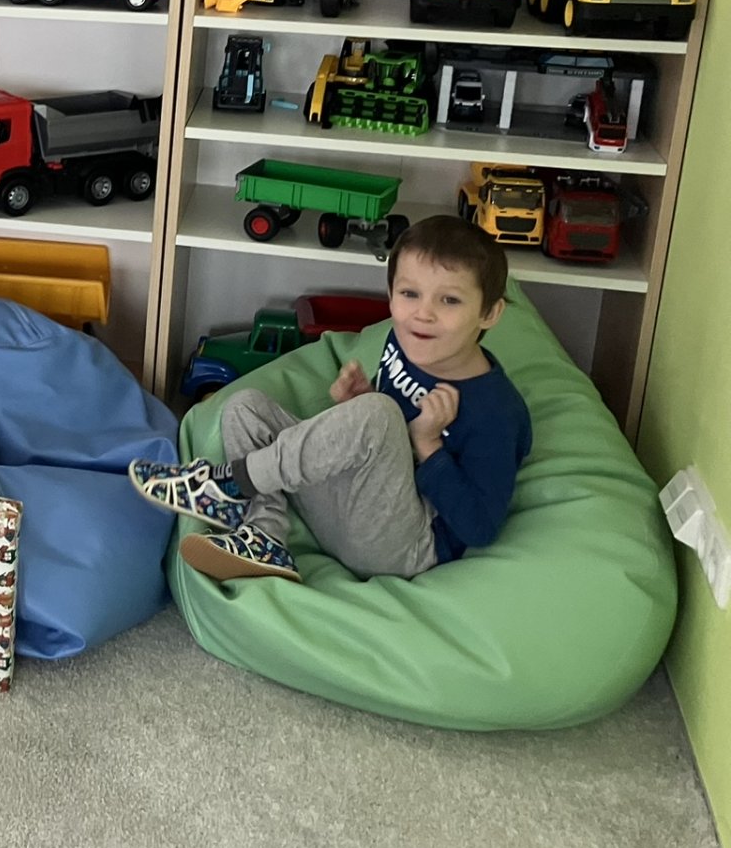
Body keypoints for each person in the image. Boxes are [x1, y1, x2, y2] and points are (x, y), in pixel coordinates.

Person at [129, 216, 532, 582]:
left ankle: (233, 483)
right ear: (391, 294)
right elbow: (386, 439)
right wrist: (360, 403)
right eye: (410, 293)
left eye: (450, 300)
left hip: (402, 547)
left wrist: (429, 447)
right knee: (244, 405)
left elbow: (480, 527)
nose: (422, 314)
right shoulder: (405, 340)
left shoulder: (496, 413)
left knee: (378, 413)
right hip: (347, 510)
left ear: (489, 313)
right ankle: (265, 535)